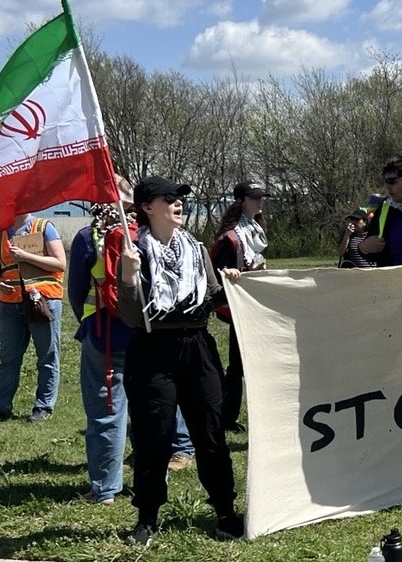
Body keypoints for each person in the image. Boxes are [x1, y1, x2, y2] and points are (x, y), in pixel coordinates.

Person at [117, 176, 243, 546]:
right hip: (153, 347)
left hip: (197, 346)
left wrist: (233, 281)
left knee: (210, 432)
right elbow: (129, 316)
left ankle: (224, 511)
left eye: (180, 198)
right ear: (147, 207)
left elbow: (215, 297)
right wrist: (127, 274)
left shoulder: (196, 248)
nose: (178, 203)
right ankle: (147, 517)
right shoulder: (133, 251)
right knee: (153, 436)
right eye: (168, 197)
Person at [68, 188, 139, 505]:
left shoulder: (87, 236)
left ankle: (105, 489)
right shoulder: (145, 234)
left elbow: (75, 291)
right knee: (151, 407)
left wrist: (85, 323)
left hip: (102, 334)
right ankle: (152, 480)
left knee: (105, 412)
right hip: (143, 333)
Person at [0, 212, 66, 422]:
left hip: (42, 300)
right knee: (8, 358)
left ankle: (43, 407)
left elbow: (60, 263)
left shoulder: (43, 226)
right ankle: (1, 406)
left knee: (47, 356)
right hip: (9, 302)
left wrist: (26, 257)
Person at [209, 180, 271, 433]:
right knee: (239, 365)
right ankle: (226, 416)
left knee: (242, 364)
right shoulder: (231, 236)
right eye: (255, 197)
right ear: (241, 201)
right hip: (238, 308)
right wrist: (246, 274)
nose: (260, 201)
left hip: (252, 306)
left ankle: (228, 415)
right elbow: (219, 275)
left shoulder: (253, 229)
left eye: (260, 197)